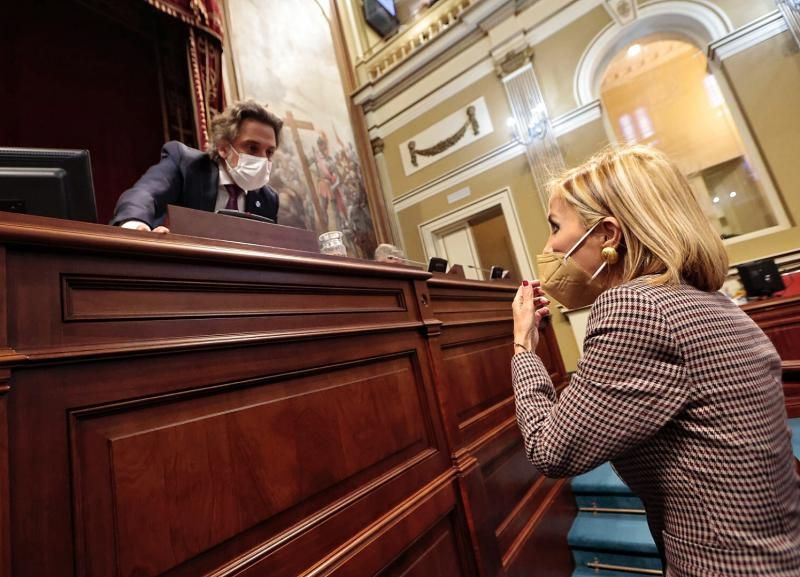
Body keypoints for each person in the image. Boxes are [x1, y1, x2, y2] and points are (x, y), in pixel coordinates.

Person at [511, 145, 800, 576]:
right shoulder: (712, 300)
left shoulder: (635, 307)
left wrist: (522, 348)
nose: (550, 245)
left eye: (555, 226)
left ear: (607, 235)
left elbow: (551, 450)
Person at [111, 100, 282, 232]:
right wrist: (135, 225)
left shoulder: (268, 199)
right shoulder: (185, 164)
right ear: (223, 147)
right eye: (252, 148)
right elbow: (144, 194)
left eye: (269, 152)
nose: (262, 159)